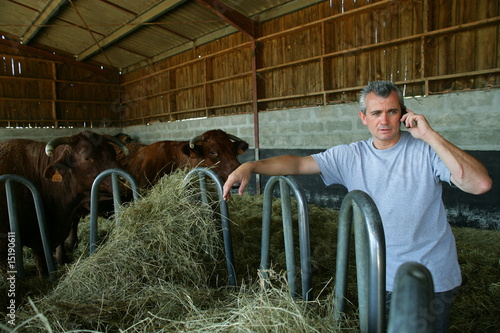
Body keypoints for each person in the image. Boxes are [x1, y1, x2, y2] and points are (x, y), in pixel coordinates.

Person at [222, 81, 492, 332]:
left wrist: (430, 135)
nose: (384, 120)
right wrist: (252, 165)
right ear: (364, 117)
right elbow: (298, 164)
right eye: (376, 113)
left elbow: (480, 184)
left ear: (404, 114)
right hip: (376, 275)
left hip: (428, 276)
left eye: (392, 112)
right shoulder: (350, 156)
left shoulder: (426, 151)